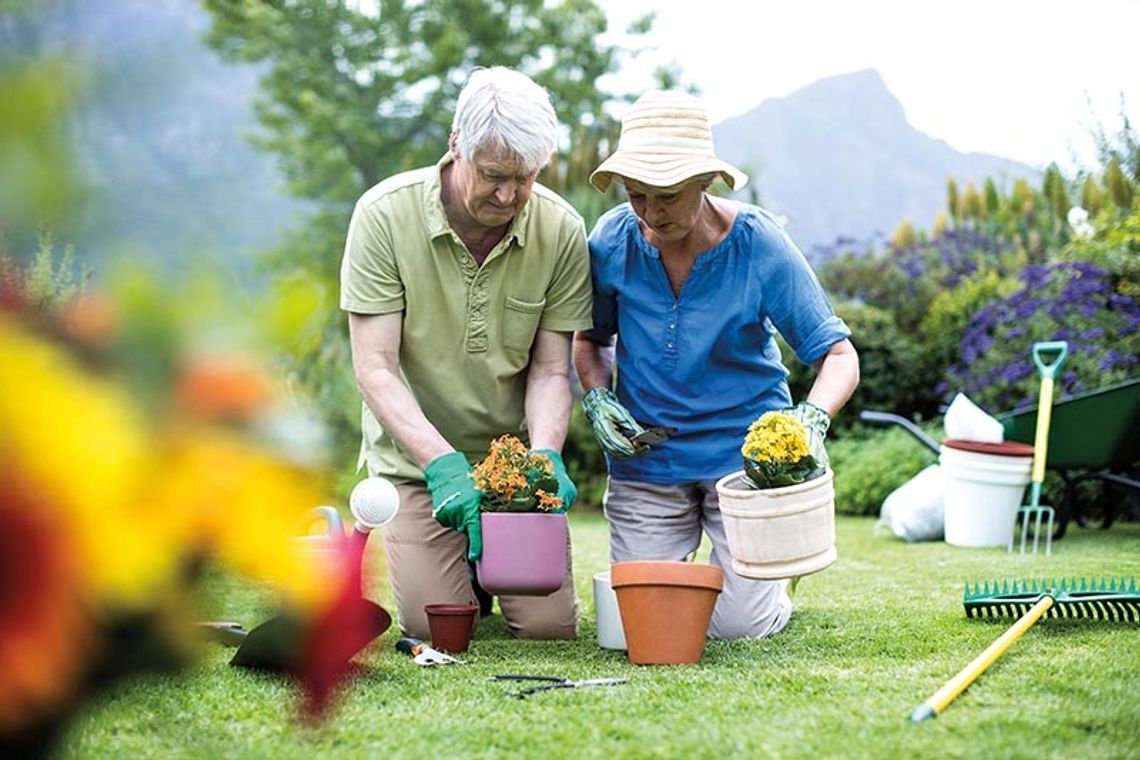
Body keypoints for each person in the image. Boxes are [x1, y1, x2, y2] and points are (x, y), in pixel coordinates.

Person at [573, 90, 859, 639]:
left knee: (735, 629)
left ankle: (773, 581)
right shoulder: (611, 240)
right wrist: (597, 395)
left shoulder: (760, 245)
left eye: (668, 196)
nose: (651, 214)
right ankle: (724, 575)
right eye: (637, 196)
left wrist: (811, 420)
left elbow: (838, 356)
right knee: (639, 627)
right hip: (648, 466)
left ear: (706, 182)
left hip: (743, 467)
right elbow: (590, 339)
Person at [340, 67, 591, 640]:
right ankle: (465, 570)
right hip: (418, 465)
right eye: (494, 175)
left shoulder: (561, 229)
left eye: (524, 178)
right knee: (437, 630)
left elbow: (552, 369)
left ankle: (484, 565)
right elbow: (374, 367)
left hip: (512, 473)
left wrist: (545, 461)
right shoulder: (384, 216)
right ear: (457, 145)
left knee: (550, 629)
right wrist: (443, 466)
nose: (508, 195)